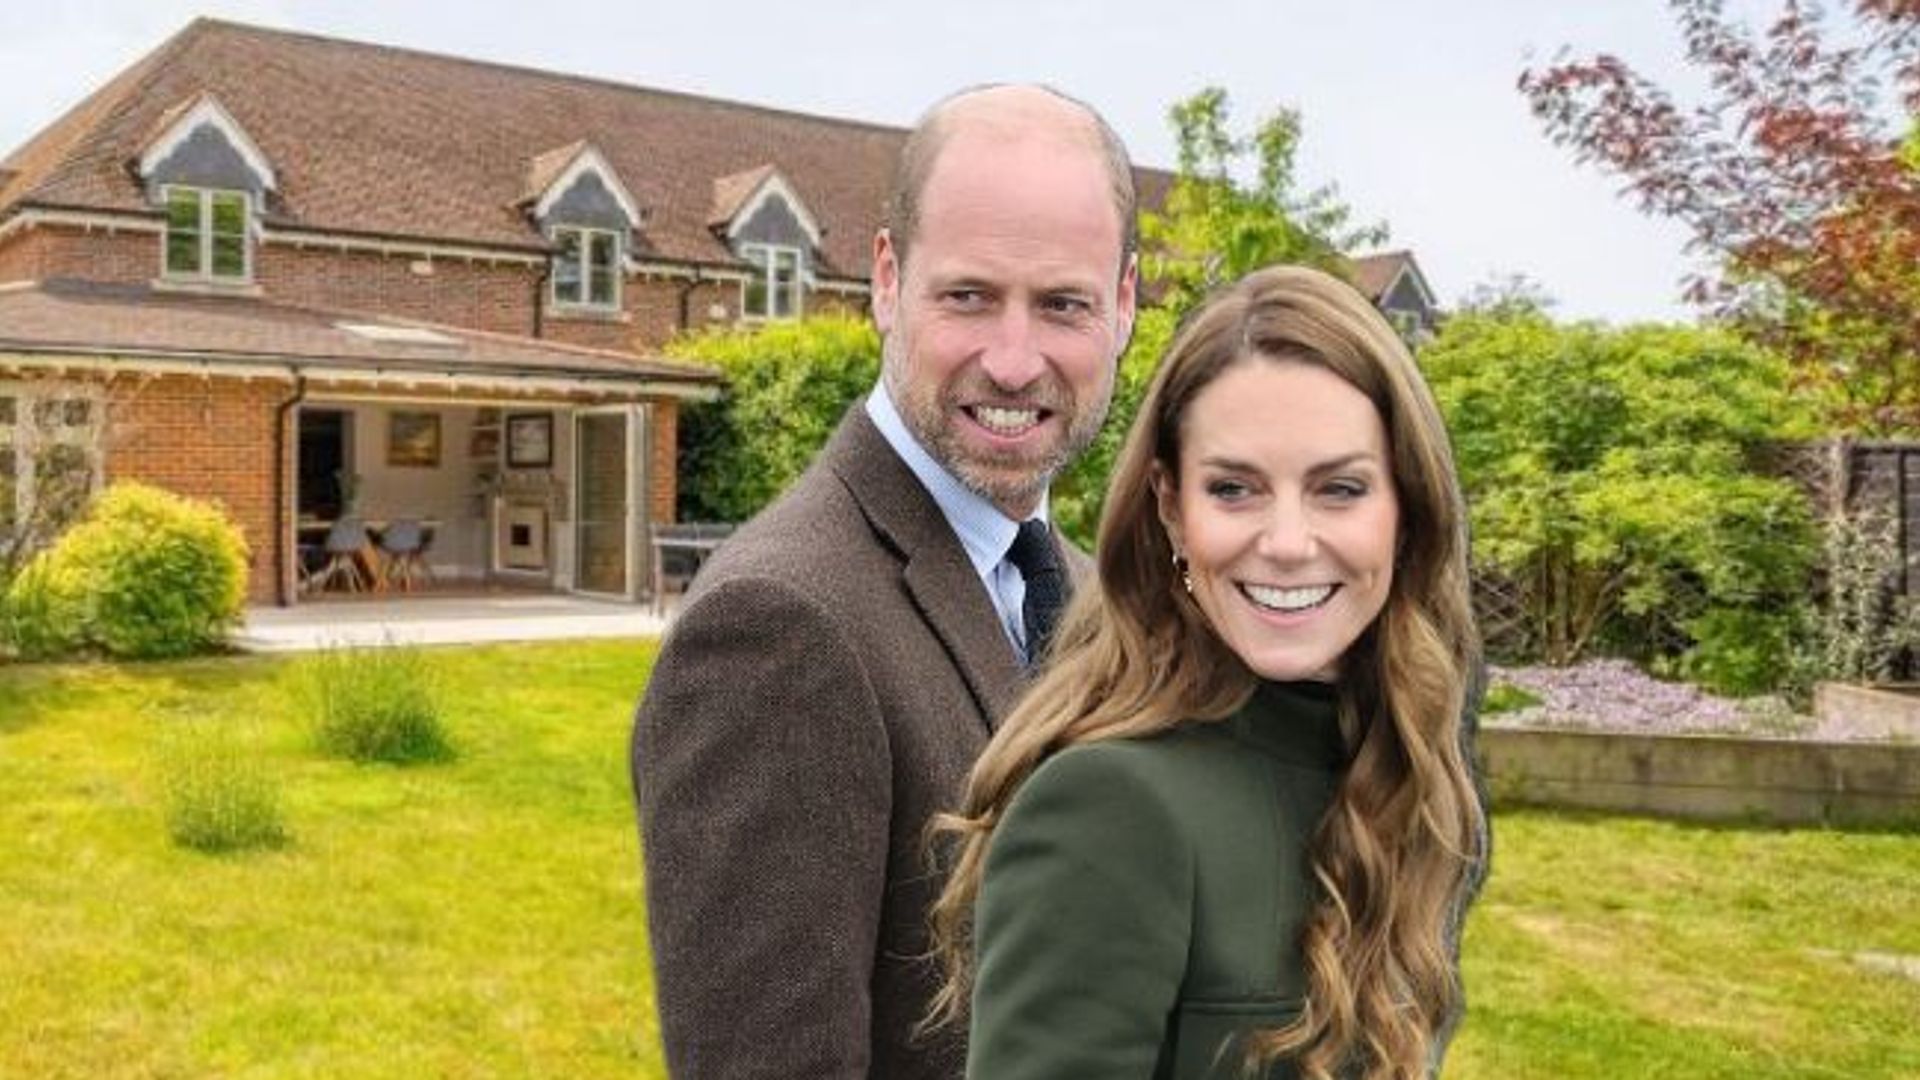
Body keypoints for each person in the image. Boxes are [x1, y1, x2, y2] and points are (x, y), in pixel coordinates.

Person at [631, 83, 1139, 1080]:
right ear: (884, 280)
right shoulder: (777, 628)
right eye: (969, 296)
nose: (1012, 358)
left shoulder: (1085, 593)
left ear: (1122, 307)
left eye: (1063, 304)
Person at [928, 265, 1489, 1080]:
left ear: (1404, 510)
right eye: (1234, 489)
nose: (1289, 541)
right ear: (1169, 508)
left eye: (1339, 488)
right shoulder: (1112, 808)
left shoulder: (1394, 773)